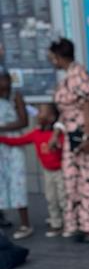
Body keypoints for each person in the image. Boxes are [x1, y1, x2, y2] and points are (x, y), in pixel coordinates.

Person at [48, 39, 89, 242]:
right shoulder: (68, 76)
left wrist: (88, 137)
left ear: (58, 56)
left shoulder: (78, 74)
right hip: (71, 138)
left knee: (88, 179)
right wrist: (57, 133)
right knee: (74, 180)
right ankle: (83, 223)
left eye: (52, 57)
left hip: (83, 138)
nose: (51, 61)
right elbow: (66, 112)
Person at [0, 103, 65, 237]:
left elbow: (64, 147)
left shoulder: (57, 135)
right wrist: (2, 139)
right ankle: (56, 223)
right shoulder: (36, 134)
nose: (37, 115)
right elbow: (19, 141)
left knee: (64, 198)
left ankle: (68, 221)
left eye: (42, 112)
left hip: (61, 172)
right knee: (51, 198)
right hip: (48, 172)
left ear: (52, 117)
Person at [0, 70, 31, 239]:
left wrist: (3, 128)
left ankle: (25, 223)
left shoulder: (15, 96)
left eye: (6, 79)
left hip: (13, 144)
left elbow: (24, 121)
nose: (5, 82)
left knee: (17, 182)